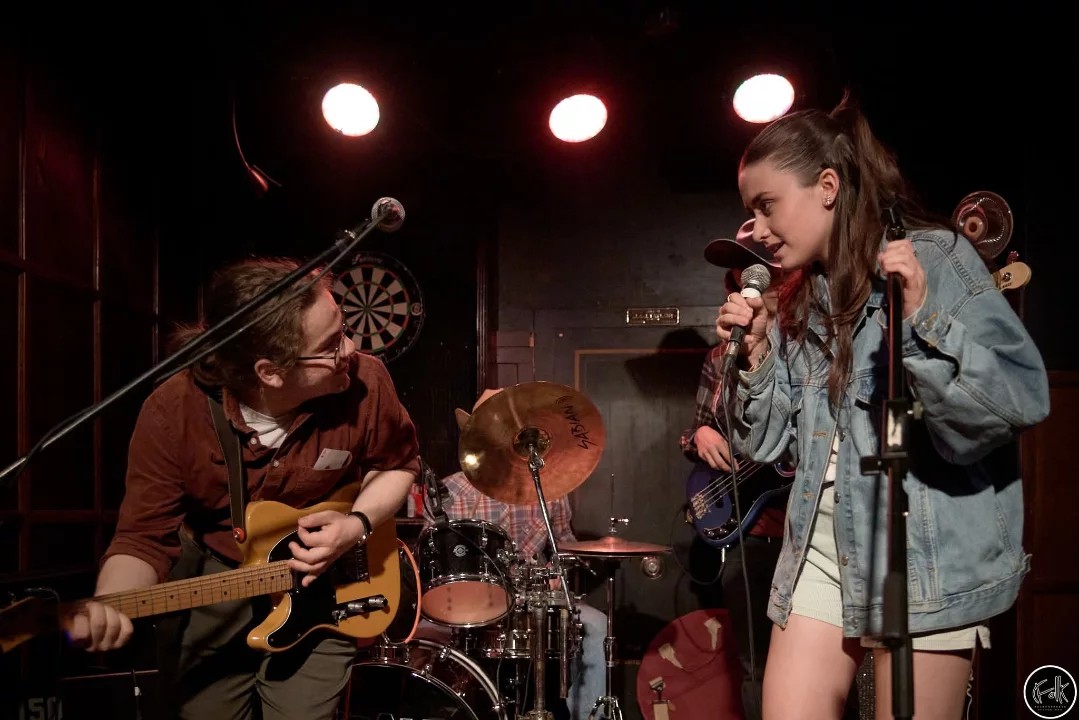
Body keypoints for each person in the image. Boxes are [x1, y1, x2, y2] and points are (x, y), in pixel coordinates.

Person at [716, 93, 1050, 720]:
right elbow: (765, 447)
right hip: (821, 546)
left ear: (827, 186)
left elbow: (1018, 399)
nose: (757, 229)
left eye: (766, 206)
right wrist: (757, 359)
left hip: (920, 553)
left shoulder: (937, 259)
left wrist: (923, 317)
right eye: (749, 211)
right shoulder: (798, 302)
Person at [65, 257, 421, 720]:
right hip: (216, 588)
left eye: (345, 329)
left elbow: (397, 464)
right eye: (332, 344)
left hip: (325, 588)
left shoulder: (366, 381)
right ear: (270, 372)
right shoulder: (173, 411)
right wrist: (112, 603)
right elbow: (142, 538)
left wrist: (355, 526)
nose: (351, 348)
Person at [420, 388, 607, 720]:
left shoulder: (548, 487)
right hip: (467, 606)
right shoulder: (450, 491)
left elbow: (565, 547)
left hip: (535, 604)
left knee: (596, 626)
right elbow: (432, 559)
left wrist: (553, 576)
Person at [680, 218, 787, 720]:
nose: (740, 282)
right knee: (755, 665)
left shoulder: (803, 344)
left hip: (802, 530)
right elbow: (697, 426)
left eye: (752, 271)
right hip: (749, 530)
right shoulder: (720, 352)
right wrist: (699, 434)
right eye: (734, 275)